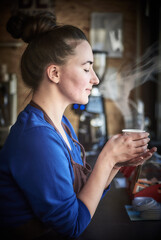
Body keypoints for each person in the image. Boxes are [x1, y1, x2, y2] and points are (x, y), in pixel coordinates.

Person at [0, 11, 156, 240]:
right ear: (54, 73)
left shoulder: (61, 125)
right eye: (86, 68)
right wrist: (107, 158)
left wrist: (116, 164)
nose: (95, 78)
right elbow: (71, 225)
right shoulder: (36, 139)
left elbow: (82, 198)